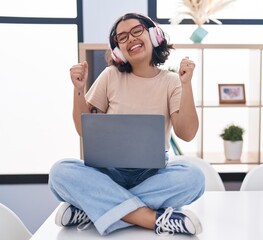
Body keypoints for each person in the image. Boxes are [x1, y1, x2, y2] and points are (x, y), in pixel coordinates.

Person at [48, 13, 205, 236]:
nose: (130, 39)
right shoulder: (110, 75)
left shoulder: (171, 82)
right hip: (108, 173)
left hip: (152, 174)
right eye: (122, 37)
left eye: (136, 31)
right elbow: (84, 130)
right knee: (59, 173)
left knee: (194, 178)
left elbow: (187, 133)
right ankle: (152, 218)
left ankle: (95, 208)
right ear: (118, 50)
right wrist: (78, 89)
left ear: (154, 35)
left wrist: (186, 85)